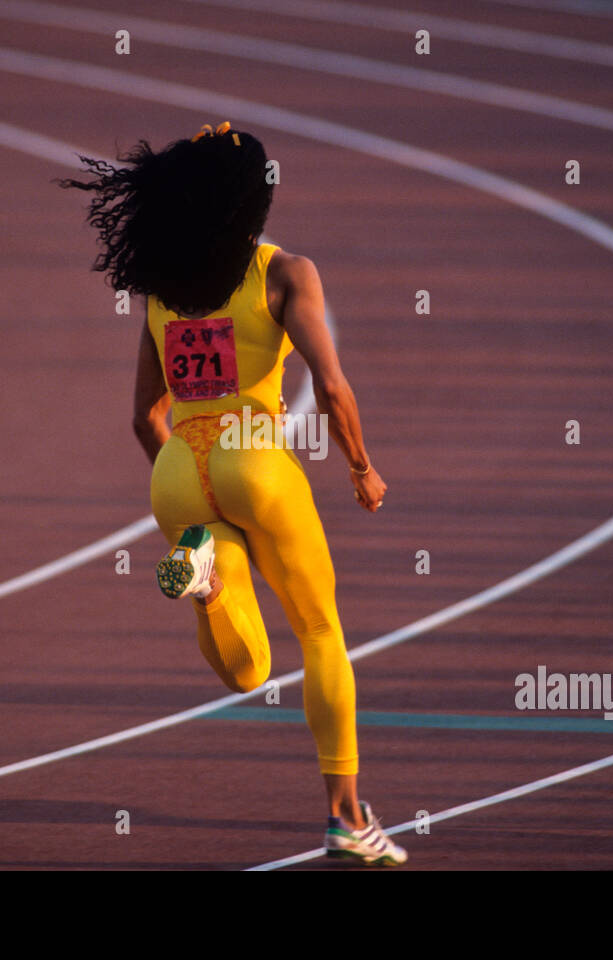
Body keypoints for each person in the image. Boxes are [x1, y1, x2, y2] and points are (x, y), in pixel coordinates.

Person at [60, 122, 407, 866]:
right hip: (257, 459)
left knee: (247, 667)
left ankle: (210, 580)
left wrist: (186, 479)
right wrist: (360, 468)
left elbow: (141, 416)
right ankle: (347, 818)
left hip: (179, 468)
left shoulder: (160, 288)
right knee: (319, 631)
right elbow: (333, 386)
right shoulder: (285, 273)